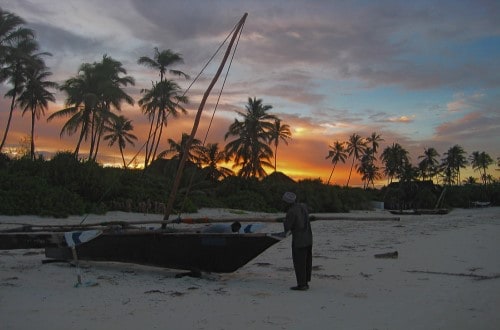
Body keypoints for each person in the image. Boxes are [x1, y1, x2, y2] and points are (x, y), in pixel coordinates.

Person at [282, 191, 313, 291]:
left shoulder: (291, 212)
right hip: (308, 238)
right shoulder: (303, 206)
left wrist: (284, 221)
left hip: (299, 241)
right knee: (307, 261)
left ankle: (302, 285)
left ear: (287, 202)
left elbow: (287, 227)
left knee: (299, 262)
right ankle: (306, 282)